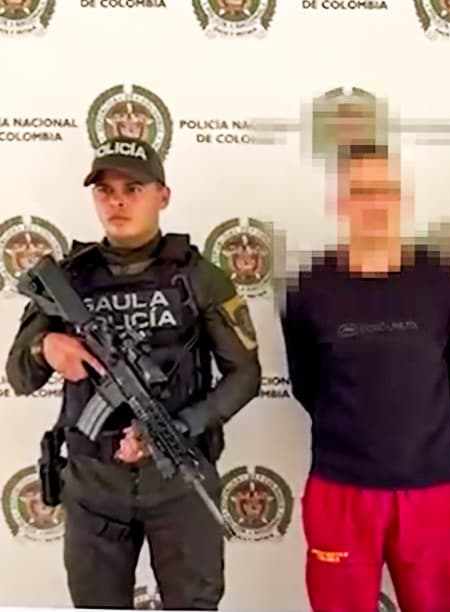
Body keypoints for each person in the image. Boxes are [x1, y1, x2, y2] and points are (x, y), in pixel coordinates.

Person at [4, 136, 261, 610]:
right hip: (93, 486)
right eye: (105, 190)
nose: (117, 201)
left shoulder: (199, 277)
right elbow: (19, 376)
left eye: (133, 188)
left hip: (180, 480)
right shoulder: (67, 280)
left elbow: (245, 375)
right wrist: (45, 347)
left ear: (163, 195)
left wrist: (178, 429)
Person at [280, 143, 450, 612]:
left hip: (428, 490)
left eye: (386, 191)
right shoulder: (309, 289)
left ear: (405, 200)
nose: (375, 204)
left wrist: (417, 429)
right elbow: (306, 384)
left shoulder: (447, 282)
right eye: (361, 191)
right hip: (340, 490)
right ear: (339, 202)